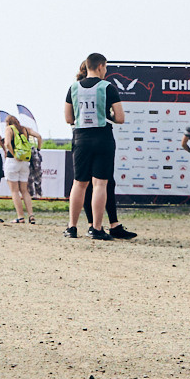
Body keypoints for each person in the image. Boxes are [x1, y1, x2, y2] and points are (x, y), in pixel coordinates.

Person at [65, 54, 124, 241]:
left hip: (81, 137)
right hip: (102, 136)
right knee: (100, 183)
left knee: (79, 183)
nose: (105, 71)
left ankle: (71, 227)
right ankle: (96, 228)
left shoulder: (73, 87)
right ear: (100, 66)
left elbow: (68, 119)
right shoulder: (108, 87)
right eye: (105, 67)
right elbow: (120, 118)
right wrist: (109, 116)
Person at [1, 113, 37, 223]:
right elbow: (39, 136)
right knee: (25, 190)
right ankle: (31, 215)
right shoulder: (25, 129)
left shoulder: (9, 129)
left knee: (15, 191)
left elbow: (7, 143)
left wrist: (13, 154)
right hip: (25, 162)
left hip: (13, 161)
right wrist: (38, 148)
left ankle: (20, 216)